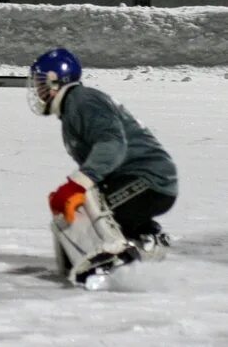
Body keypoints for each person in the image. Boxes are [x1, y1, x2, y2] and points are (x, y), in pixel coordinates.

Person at [28, 48, 177, 284]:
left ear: (56, 81)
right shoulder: (73, 106)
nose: (37, 89)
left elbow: (112, 144)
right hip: (147, 179)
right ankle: (145, 238)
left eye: (40, 82)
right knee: (76, 202)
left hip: (148, 179)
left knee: (86, 201)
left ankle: (110, 256)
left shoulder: (82, 101)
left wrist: (77, 184)